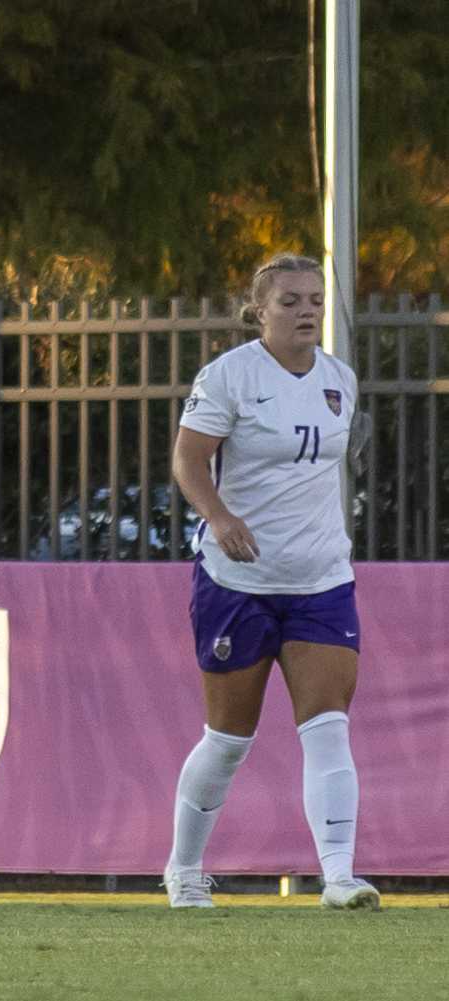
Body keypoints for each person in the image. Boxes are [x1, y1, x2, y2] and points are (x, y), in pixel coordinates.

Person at [165, 253, 379, 910]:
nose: (306, 310)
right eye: (288, 300)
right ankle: (184, 867)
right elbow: (187, 459)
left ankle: (338, 875)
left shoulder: (339, 378)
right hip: (237, 582)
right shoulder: (228, 375)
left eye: (314, 298)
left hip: (320, 580)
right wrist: (219, 516)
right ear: (258, 310)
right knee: (227, 739)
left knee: (327, 726)